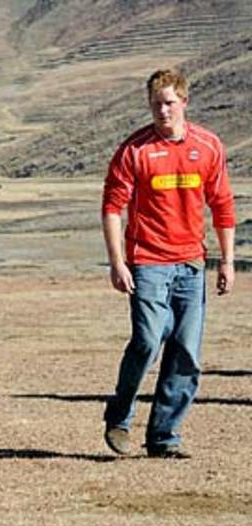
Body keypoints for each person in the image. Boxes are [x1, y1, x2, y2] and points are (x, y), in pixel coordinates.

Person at [101, 68, 236, 459]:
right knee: (147, 341)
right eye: (156, 104)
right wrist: (117, 262)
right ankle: (119, 416)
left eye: (169, 103)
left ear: (184, 102)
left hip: (191, 264)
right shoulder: (135, 150)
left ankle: (164, 438)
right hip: (147, 263)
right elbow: (112, 209)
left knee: (186, 353)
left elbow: (223, 207)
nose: (162, 111)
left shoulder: (208, 146)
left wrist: (227, 261)